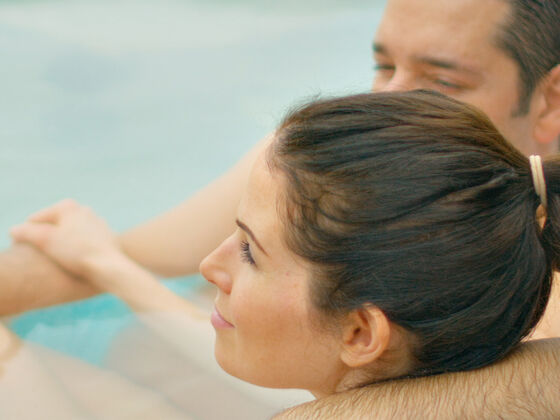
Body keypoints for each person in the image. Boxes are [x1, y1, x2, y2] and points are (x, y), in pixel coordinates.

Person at [1, 0, 559, 416]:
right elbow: (132, 251)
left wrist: (115, 272)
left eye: (442, 80)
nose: (388, 102)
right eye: (383, 65)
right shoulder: (323, 159)